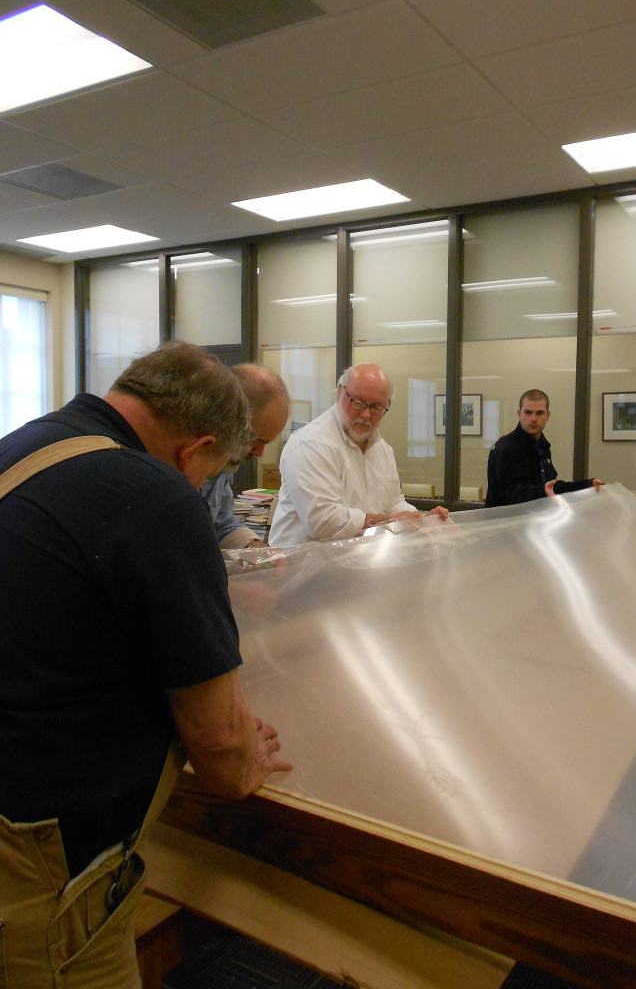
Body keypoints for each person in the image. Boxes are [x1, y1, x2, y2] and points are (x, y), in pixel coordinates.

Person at [0, 341, 292, 989]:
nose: (203, 488)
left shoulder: (26, 445)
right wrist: (245, 759)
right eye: (212, 473)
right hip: (38, 865)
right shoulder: (157, 496)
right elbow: (222, 752)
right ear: (195, 450)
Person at [269, 362, 448, 546]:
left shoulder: (382, 450)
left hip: (358, 559)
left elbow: (393, 503)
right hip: (301, 562)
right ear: (340, 392)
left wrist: (422, 519)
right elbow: (322, 522)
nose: (366, 415)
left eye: (376, 407)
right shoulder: (311, 444)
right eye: (359, 403)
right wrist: (390, 520)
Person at [201, 363, 290, 548]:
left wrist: (256, 549)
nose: (259, 452)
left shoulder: (226, 462)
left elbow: (222, 524)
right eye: (255, 440)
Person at [485, 388, 603, 507]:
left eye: (539, 413)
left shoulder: (542, 445)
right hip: (508, 518)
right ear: (519, 414)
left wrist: (587, 486)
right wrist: (544, 492)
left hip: (537, 517)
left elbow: (551, 486)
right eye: (528, 412)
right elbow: (513, 495)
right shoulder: (506, 449)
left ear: (548, 415)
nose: (533, 419)